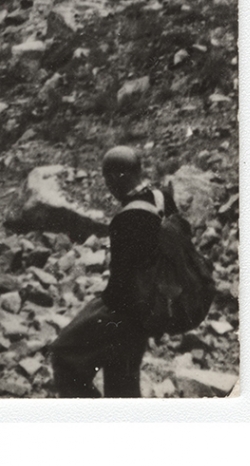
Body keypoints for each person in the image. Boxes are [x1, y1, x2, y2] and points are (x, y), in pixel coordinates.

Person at [49, 145, 171, 398]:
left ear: (118, 177)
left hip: (126, 315)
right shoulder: (161, 198)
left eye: (107, 178)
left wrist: (94, 311)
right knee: (123, 385)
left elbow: (120, 289)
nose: (107, 186)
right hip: (151, 310)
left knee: (64, 355)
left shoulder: (126, 219)